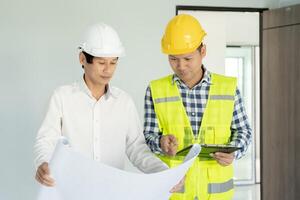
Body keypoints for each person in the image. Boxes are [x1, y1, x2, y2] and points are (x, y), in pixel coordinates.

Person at [34, 23, 177, 189]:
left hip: (111, 193)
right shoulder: (62, 97)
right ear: (82, 59)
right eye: (101, 63)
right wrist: (43, 162)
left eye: (113, 63)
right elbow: (46, 140)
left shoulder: (124, 102)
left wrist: (164, 172)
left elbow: (137, 149)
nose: (108, 70)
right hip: (70, 192)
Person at [143, 14, 252, 200]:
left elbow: (243, 131)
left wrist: (234, 151)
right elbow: (148, 137)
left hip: (217, 195)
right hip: (174, 193)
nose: (181, 66)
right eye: (173, 59)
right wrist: (160, 143)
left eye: (187, 58)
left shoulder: (228, 88)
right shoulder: (156, 90)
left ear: (203, 51)